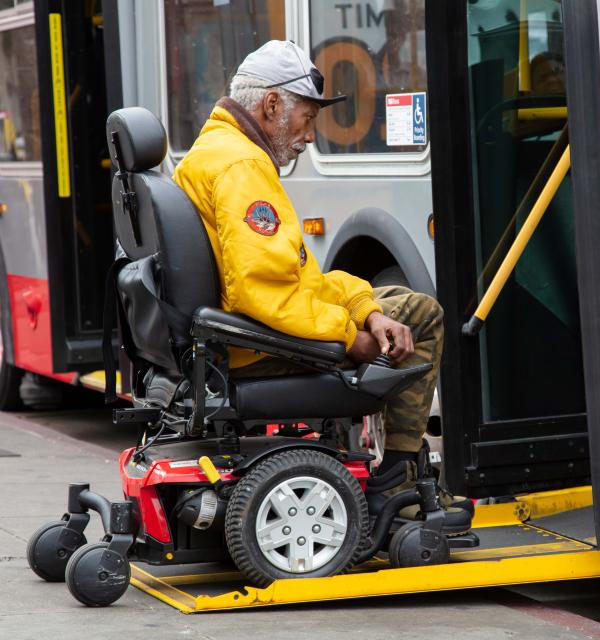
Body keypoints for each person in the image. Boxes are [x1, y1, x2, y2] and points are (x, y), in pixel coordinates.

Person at [173, 40, 471, 532]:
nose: (310, 136)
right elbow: (262, 292)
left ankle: (396, 472)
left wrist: (368, 310)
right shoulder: (243, 167)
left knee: (399, 307)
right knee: (423, 315)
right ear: (271, 106)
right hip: (255, 342)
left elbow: (297, 277)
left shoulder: (214, 150)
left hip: (241, 333)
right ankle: (397, 481)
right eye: (307, 119)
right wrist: (351, 338)